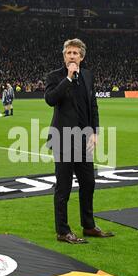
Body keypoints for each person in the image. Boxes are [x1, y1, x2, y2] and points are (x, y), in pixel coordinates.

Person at [44, 38, 114, 244]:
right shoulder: (55, 76)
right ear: (64, 56)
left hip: (84, 140)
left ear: (82, 57)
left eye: (75, 53)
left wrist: (95, 131)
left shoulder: (88, 76)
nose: (71, 56)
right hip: (62, 139)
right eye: (68, 53)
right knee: (63, 187)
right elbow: (50, 99)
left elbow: (93, 105)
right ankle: (63, 231)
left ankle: (89, 225)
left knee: (88, 183)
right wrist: (67, 78)